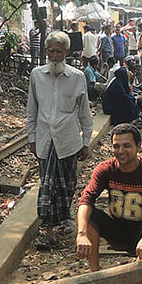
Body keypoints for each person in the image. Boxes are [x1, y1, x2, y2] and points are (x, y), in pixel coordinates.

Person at [75, 123, 142, 284]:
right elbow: (86, 199)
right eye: (116, 146)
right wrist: (81, 233)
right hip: (118, 225)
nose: (121, 151)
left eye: (127, 146)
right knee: (91, 217)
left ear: (138, 147)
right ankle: (95, 278)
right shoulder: (105, 169)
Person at [27, 31, 94, 250]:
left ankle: (64, 220)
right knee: (47, 187)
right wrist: (31, 137)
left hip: (68, 141)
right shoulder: (37, 75)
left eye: (59, 51)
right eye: (51, 51)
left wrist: (86, 141)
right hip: (46, 140)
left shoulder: (77, 76)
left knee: (67, 185)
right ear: (46, 51)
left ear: (66, 52)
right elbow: (32, 110)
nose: (54, 55)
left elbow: (84, 111)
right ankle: (48, 231)